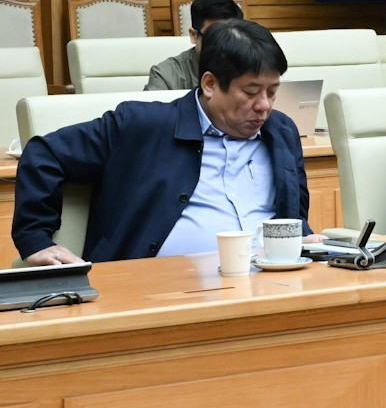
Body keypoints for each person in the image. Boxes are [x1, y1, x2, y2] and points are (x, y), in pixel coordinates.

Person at [14, 21, 311, 264]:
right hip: (157, 288)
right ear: (209, 84)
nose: (264, 105)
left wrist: (306, 239)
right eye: (250, 92)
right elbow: (44, 154)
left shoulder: (281, 131)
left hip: (271, 282)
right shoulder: (141, 125)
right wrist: (35, 240)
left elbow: (294, 214)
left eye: (272, 92)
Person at [146, 0, 244, 91]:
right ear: (194, 35)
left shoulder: (249, 66)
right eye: (213, 37)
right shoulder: (166, 75)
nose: (223, 45)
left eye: (231, 37)